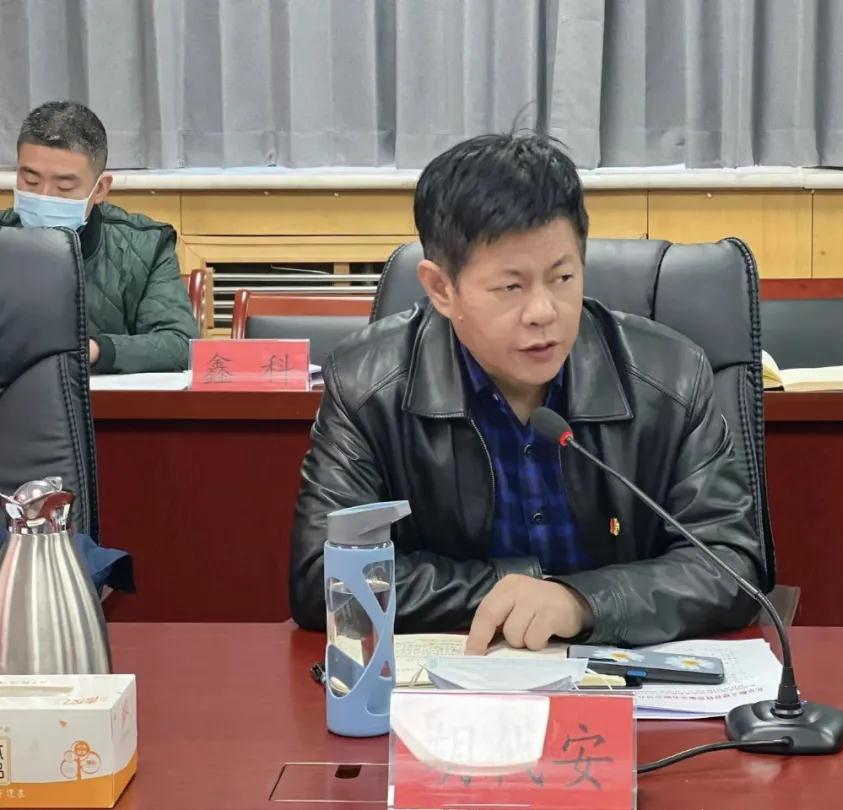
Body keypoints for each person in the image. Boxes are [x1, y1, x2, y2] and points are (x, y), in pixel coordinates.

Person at [291, 133, 766, 651]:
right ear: (441, 289)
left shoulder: (671, 377)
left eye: (562, 277)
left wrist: (582, 602)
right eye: (511, 287)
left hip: (624, 676)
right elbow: (324, 578)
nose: (543, 311)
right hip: (460, 679)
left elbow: (730, 563)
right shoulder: (366, 386)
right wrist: (518, 592)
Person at [0, 101, 196, 373]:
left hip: (105, 398)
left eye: (64, 186)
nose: (44, 196)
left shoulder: (146, 247)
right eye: (30, 181)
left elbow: (180, 344)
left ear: (100, 189)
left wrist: (92, 350)